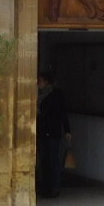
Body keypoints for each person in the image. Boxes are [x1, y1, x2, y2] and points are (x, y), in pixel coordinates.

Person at [36, 70, 71, 199]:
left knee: (53, 160)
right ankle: (46, 186)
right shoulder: (38, 95)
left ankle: (55, 187)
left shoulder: (56, 95)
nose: (38, 83)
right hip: (42, 131)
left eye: (40, 81)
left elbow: (62, 113)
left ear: (46, 82)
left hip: (53, 131)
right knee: (44, 160)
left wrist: (67, 130)